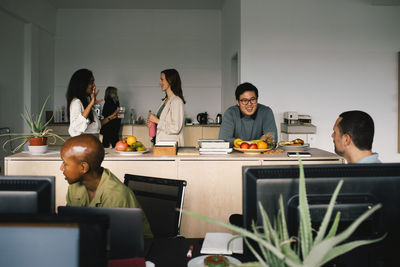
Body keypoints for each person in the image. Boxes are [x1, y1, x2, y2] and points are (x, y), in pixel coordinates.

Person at [60, 134, 153, 238]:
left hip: (131, 247)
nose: (61, 168)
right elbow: (69, 224)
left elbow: (119, 242)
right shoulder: (74, 186)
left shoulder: (116, 195)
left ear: (83, 167)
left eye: (65, 163)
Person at [218, 82, 278, 147]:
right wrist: (251, 144)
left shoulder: (266, 112)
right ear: (238, 102)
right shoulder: (230, 113)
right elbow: (224, 140)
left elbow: (272, 141)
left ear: (257, 100)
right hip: (235, 155)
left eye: (253, 99)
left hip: (261, 155)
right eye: (244, 100)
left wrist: (242, 144)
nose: (249, 104)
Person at [66, 68, 118, 137]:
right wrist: (90, 104)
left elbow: (95, 125)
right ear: (82, 84)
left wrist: (111, 116)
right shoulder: (76, 102)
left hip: (92, 140)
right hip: (84, 143)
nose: (94, 85)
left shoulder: (85, 102)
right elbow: (76, 127)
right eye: (91, 82)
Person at [147, 69, 185, 146]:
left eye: (162, 79)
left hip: (171, 146)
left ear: (170, 81)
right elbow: (162, 125)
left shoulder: (177, 101)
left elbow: (176, 128)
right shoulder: (165, 101)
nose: (160, 83)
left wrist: (157, 121)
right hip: (161, 144)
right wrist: (152, 123)